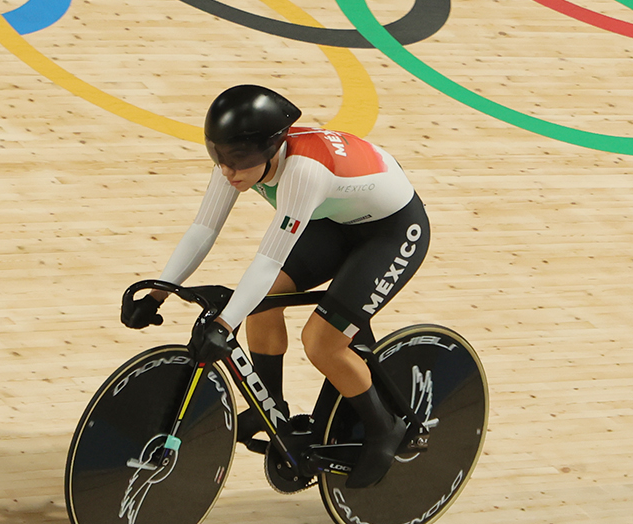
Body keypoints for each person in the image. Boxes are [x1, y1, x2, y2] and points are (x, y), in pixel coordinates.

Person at [120, 85, 431, 489]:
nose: (228, 171)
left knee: (322, 342)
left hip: (391, 232)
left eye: (239, 161)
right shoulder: (237, 162)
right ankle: (272, 406)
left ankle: (384, 428)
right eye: (219, 157)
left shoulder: (303, 173)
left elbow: (267, 260)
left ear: (270, 149)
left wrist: (226, 324)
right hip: (337, 220)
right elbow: (203, 229)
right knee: (262, 302)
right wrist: (158, 292)